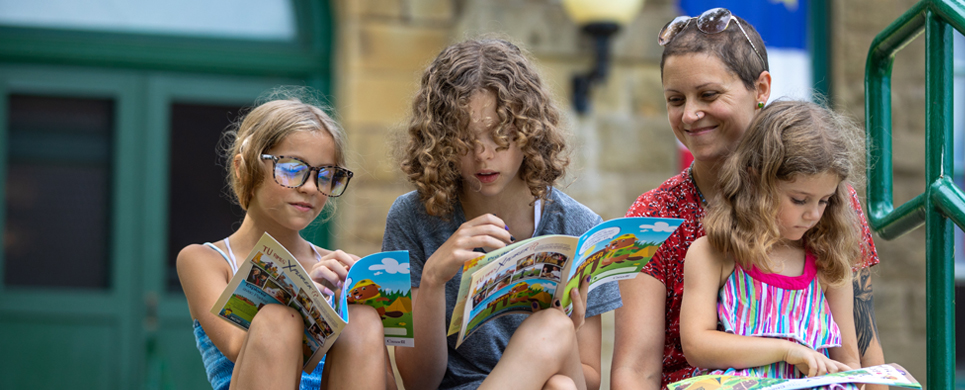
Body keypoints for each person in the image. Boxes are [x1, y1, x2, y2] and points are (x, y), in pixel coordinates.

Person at [612, 7, 885, 389]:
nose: (690, 114)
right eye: (675, 100)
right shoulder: (655, 215)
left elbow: (861, 346)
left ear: (761, 89)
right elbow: (635, 370)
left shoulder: (830, 201)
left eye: (708, 94)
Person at [383, 38, 621, 390]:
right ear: (441, 140)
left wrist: (564, 332)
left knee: (558, 367)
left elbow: (589, 377)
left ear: (528, 131)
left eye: (500, 135)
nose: (484, 155)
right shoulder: (410, 216)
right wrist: (433, 278)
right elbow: (417, 381)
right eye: (465, 139)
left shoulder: (579, 226)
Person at [177, 96, 395, 390]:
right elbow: (235, 342)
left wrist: (362, 306)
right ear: (244, 169)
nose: (309, 188)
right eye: (292, 169)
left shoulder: (338, 269)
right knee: (279, 318)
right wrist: (301, 294)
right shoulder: (204, 260)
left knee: (362, 321)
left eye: (325, 175)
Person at [681, 101, 863, 386]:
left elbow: (849, 362)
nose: (813, 214)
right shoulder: (715, 253)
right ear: (757, 180)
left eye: (825, 200)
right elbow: (697, 346)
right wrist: (787, 351)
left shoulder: (828, 260)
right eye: (800, 200)